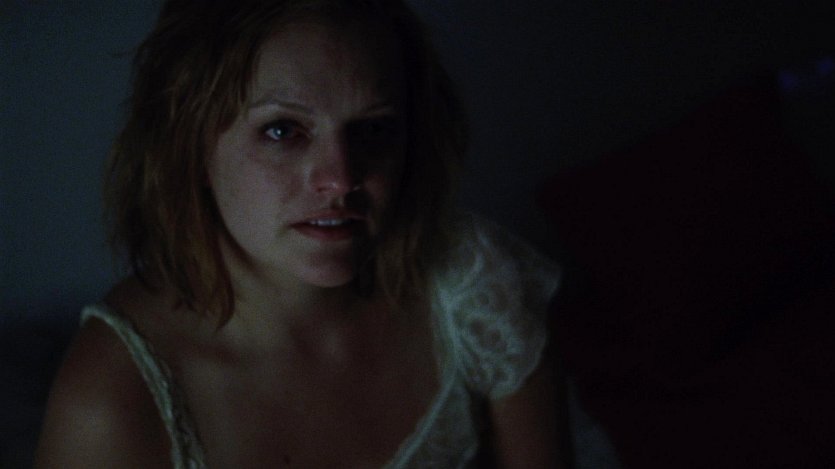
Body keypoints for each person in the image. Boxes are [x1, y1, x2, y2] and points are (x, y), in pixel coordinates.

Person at [35, 1, 565, 467]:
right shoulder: (112, 397)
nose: (341, 179)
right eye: (283, 130)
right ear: (190, 145)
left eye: (373, 129)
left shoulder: (473, 282)